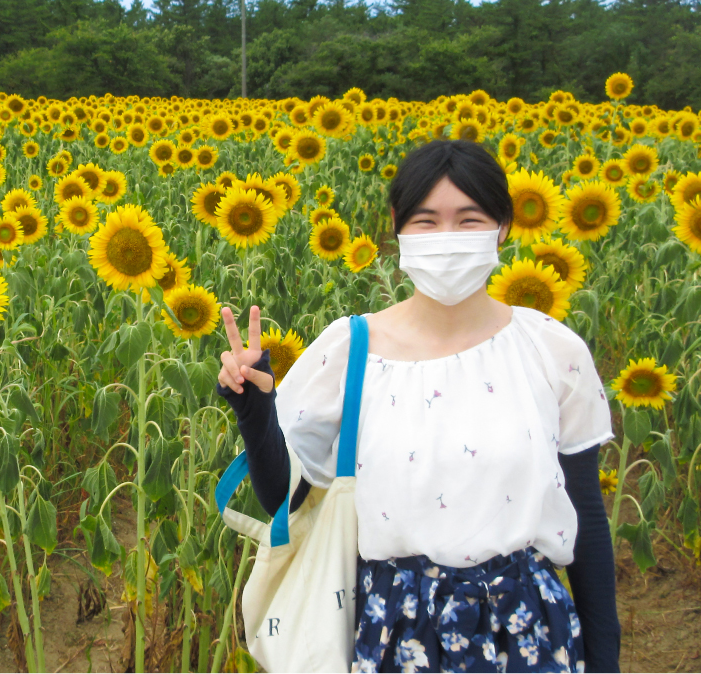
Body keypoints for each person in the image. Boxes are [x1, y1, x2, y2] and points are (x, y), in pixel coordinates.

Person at [216, 140, 621, 672]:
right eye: (427, 221)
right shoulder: (350, 351)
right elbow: (283, 501)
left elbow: (587, 517)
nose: (447, 239)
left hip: (528, 628)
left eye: (469, 219)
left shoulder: (551, 350)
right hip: (395, 628)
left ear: (503, 226)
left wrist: (606, 660)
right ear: (398, 227)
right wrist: (253, 407)